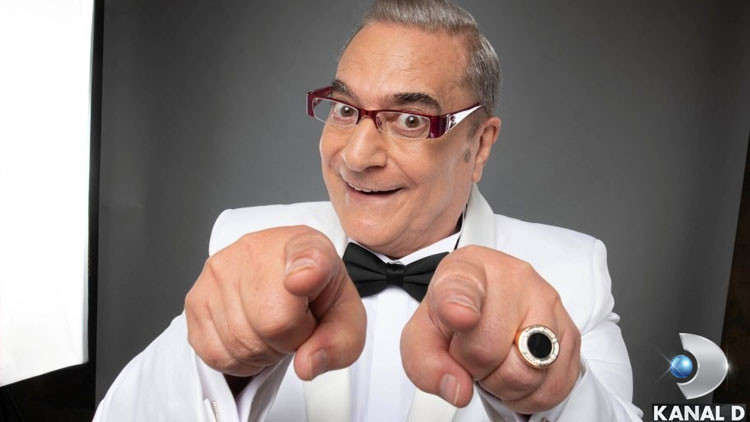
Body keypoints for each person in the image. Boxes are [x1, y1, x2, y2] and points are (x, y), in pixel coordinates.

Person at [94, 0, 643, 420]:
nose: (356, 156)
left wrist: (554, 393)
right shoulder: (245, 242)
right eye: (343, 109)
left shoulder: (572, 272)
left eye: (411, 120)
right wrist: (214, 363)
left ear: (479, 145)